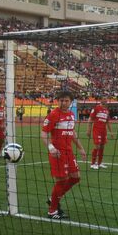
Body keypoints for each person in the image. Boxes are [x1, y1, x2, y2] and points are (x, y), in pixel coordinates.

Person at [41, 90, 86, 219]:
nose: (64, 103)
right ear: (57, 101)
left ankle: (53, 198)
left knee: (76, 177)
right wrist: (51, 147)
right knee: (62, 181)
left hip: (69, 153)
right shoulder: (53, 115)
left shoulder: (72, 115)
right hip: (58, 154)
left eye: (66, 100)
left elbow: (73, 134)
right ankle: (52, 211)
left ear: (71, 102)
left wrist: (81, 148)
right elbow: (43, 134)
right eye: (61, 100)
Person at [86, 99, 114, 170]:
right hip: (96, 130)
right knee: (97, 146)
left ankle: (99, 163)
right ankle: (93, 163)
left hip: (103, 131)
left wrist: (111, 132)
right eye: (104, 102)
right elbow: (90, 119)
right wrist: (88, 130)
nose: (105, 103)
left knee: (102, 147)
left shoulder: (107, 111)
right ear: (101, 102)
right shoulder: (96, 108)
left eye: (106, 102)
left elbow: (108, 122)